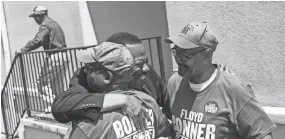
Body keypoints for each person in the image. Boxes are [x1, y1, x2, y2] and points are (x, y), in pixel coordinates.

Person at [51, 32, 237, 127]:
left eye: (145, 63)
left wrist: (211, 77)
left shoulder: (146, 73)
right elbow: (61, 108)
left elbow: (170, 102)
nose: (146, 69)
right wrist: (122, 100)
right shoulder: (89, 77)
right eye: (138, 64)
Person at [163, 21, 275, 139]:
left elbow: (263, 135)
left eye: (186, 56)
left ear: (206, 55)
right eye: (176, 52)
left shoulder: (234, 90)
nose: (178, 59)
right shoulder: (174, 83)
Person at [64, 42, 174, 139]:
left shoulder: (90, 122)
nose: (85, 72)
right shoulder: (149, 102)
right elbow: (167, 133)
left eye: (90, 68)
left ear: (107, 77)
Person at [18, 6, 68, 112]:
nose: (35, 20)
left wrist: (23, 50)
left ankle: (55, 106)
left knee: (41, 82)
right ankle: (60, 106)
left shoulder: (45, 25)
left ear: (41, 15)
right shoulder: (54, 23)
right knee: (57, 84)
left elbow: (38, 40)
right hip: (63, 55)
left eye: (35, 17)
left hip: (55, 56)